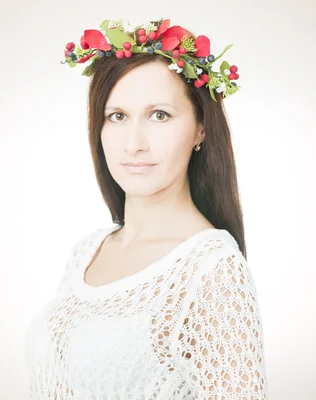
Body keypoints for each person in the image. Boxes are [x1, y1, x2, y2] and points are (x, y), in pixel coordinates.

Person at [25, 18, 268, 399]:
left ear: (201, 128)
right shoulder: (87, 252)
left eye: (160, 115)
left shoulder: (211, 269)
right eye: (117, 116)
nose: (134, 143)